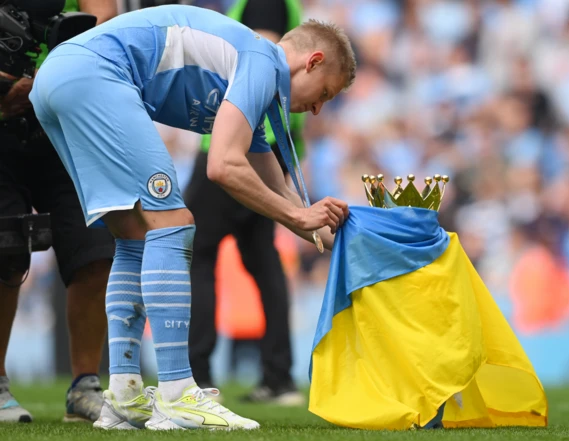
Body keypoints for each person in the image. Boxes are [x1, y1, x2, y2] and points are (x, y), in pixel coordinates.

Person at [29, 4, 355, 431]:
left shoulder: (250, 77)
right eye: (325, 94)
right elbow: (222, 165)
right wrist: (297, 214)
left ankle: (125, 393)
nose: (316, 110)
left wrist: (334, 234)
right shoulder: (263, 60)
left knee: (133, 235)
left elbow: (273, 182)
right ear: (312, 62)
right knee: (175, 222)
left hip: (56, 81)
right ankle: (179, 392)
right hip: (96, 75)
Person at [0, 0, 118, 424]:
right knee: (6, 250)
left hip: (62, 123)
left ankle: (85, 386)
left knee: (96, 247)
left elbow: (106, 16)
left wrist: (48, 80)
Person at [186, 0, 307, 406]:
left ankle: (197, 376)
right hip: (267, 146)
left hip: (242, 145)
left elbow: (264, 67)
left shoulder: (263, 2)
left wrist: (250, 149)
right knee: (262, 261)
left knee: (197, 256)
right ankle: (278, 376)